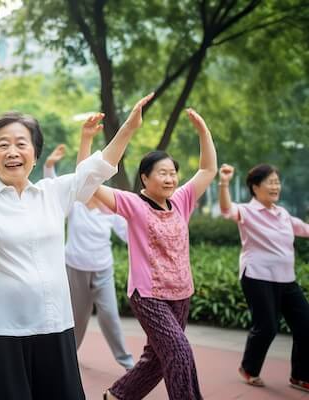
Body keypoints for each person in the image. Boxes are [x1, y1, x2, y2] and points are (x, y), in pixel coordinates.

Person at [0, 83, 153, 400]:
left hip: (53, 327)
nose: (12, 151)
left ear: (36, 154)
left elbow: (96, 169)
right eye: (2, 145)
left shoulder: (54, 193)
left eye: (21, 144)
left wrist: (127, 129)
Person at [95, 108, 217, 400]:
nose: (170, 179)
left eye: (173, 173)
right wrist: (92, 142)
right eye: (162, 173)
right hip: (148, 295)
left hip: (181, 293)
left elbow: (208, 170)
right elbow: (91, 184)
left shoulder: (182, 200)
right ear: (145, 178)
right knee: (179, 350)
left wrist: (204, 132)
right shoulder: (133, 204)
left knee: (158, 358)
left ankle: (118, 395)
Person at [43, 139, 134, 370]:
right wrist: (49, 165)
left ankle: (126, 361)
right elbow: (53, 187)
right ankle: (67, 359)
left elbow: (129, 235)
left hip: (103, 269)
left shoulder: (111, 207)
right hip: (75, 268)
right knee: (78, 318)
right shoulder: (75, 203)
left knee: (110, 316)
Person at [219, 163, 309, 393]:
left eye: (277, 182)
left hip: (286, 279)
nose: (275, 186)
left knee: (305, 325)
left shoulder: (283, 214)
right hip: (257, 276)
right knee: (267, 327)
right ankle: (249, 368)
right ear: (255, 187)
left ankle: (300, 376)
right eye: (270, 182)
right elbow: (226, 210)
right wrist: (225, 183)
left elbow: (305, 229)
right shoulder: (247, 211)